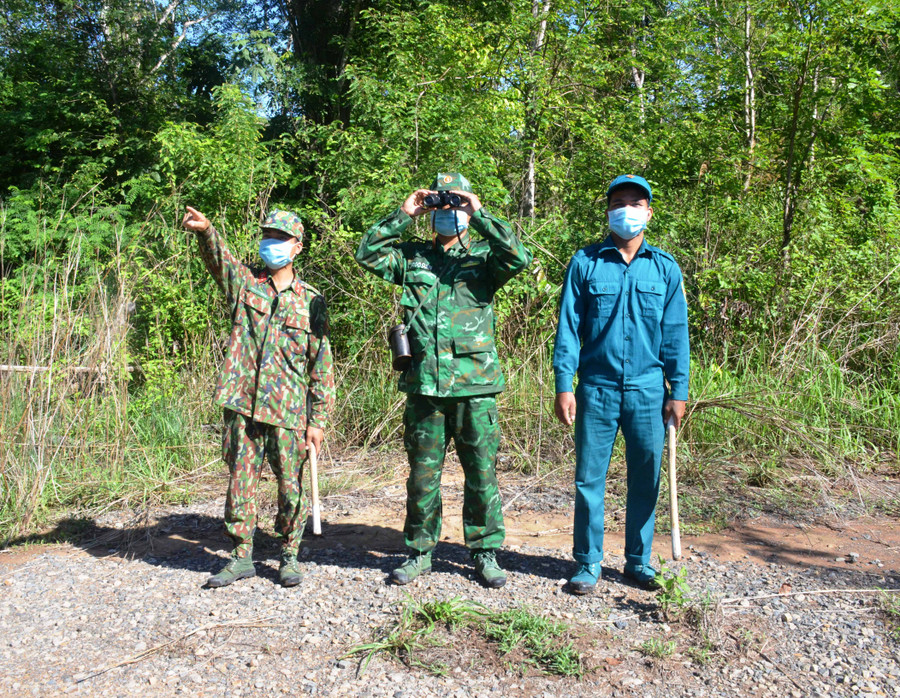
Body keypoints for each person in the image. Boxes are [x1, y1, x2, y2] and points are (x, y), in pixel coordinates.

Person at [355, 173, 532, 588]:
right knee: (422, 476)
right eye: (442, 206)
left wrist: (480, 212)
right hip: (425, 388)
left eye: (455, 206)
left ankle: (485, 553)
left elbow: (517, 257)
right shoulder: (412, 257)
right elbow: (368, 254)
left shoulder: (486, 257)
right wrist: (404, 214)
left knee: (482, 474)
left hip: (475, 387)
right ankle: (419, 552)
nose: (447, 214)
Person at [182, 206, 335, 588]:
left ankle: (289, 555)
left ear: (297, 247)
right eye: (268, 236)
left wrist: (317, 420)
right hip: (243, 402)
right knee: (241, 481)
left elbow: (322, 364)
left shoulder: (312, 300)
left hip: (289, 411)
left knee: (291, 485)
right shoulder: (247, 283)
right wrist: (206, 231)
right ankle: (240, 556)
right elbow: (220, 262)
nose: (272, 243)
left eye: (280, 238)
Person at [552, 174, 689, 594]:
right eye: (619, 202)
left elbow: (676, 333)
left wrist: (678, 391)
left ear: (649, 211)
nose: (627, 209)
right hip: (597, 388)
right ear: (609, 211)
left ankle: (638, 561)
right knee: (589, 478)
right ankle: (588, 563)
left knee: (646, 476)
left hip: (649, 391)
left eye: (635, 202)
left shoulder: (664, 268)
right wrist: (564, 383)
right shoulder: (586, 262)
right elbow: (569, 328)